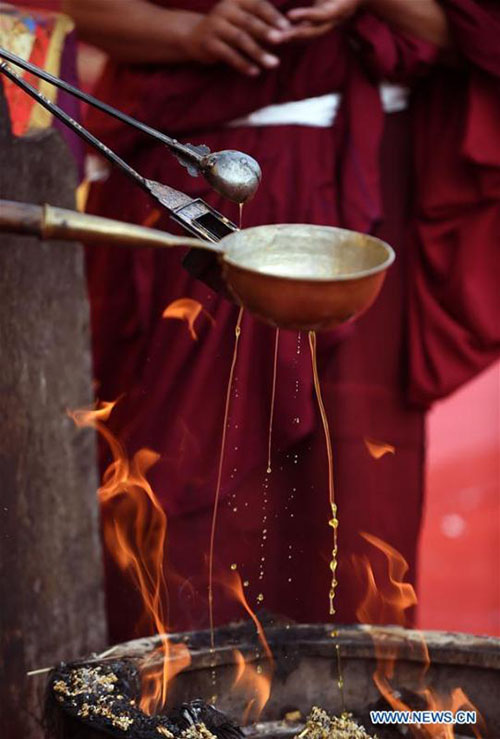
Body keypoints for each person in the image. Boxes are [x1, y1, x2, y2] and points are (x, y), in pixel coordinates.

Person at [63, 0, 500, 642]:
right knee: (177, 495)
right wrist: (194, 31)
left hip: (368, 202)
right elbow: (80, 11)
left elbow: (475, 28)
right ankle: (170, 703)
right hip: (194, 197)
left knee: (357, 499)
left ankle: (363, 708)